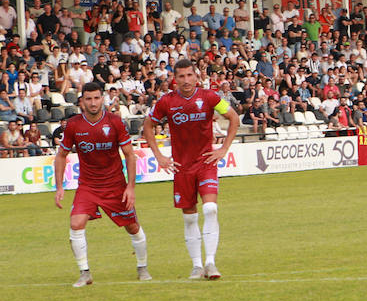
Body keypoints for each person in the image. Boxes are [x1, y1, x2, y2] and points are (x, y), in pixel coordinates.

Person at [143, 58, 240, 280]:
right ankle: (196, 266)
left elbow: (233, 117)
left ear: (196, 76)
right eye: (181, 76)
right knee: (189, 218)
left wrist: (223, 148)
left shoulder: (210, 97)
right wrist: (159, 155)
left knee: (210, 209)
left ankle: (210, 263)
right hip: (181, 167)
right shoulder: (166, 102)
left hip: (206, 163)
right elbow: (148, 125)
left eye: (190, 75)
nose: (186, 80)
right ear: (174, 79)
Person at [53, 81, 150, 287]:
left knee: (133, 227)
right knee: (75, 224)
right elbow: (61, 156)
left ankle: (142, 266)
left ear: (102, 99)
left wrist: (130, 187)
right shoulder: (73, 125)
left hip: (115, 186)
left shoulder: (115, 122)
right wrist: (59, 186)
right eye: (88, 99)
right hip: (87, 186)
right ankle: (85, 272)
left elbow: (130, 156)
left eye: (97, 98)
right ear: (82, 102)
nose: (93, 102)